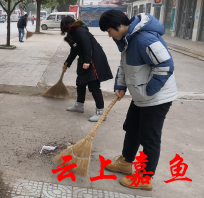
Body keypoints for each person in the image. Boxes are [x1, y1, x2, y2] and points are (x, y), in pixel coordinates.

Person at [99, 10, 177, 191]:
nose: (109, 35)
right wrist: (121, 86)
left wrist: (149, 91)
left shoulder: (145, 40)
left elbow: (165, 66)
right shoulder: (128, 39)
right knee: (132, 128)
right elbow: (124, 66)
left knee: (149, 137)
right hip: (141, 96)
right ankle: (126, 162)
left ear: (119, 26)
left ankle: (145, 177)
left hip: (156, 98)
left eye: (109, 31)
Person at [61, 16, 113, 122]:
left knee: (93, 85)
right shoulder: (73, 34)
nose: (67, 30)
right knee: (80, 82)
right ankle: (79, 105)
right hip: (84, 59)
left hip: (93, 58)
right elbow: (74, 51)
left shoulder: (80, 31)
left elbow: (87, 46)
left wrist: (87, 61)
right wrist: (67, 63)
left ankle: (100, 112)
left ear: (70, 24)